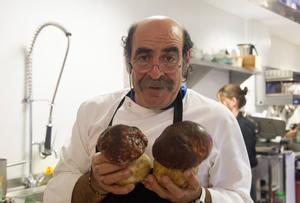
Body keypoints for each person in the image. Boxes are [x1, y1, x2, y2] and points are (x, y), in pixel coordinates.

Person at [44, 16, 253, 203]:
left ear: (186, 60)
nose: (155, 73)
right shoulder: (93, 112)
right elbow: (57, 189)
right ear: (128, 61)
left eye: (169, 58)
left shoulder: (217, 119)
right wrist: (95, 184)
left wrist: (199, 197)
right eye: (144, 58)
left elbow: (240, 197)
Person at [217, 84, 258, 202]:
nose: (218, 105)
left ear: (233, 101)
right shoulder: (230, 123)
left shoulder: (243, 126)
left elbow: (245, 159)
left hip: (243, 182)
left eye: (221, 101)